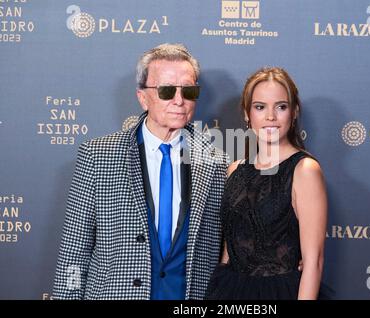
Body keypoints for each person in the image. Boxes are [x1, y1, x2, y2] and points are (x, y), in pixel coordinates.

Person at [53, 43, 228, 300]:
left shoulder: (217, 161)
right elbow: (73, 251)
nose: (179, 101)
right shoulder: (98, 156)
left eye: (188, 90)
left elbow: (234, 241)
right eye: (167, 91)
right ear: (142, 97)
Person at [206, 67, 328, 300]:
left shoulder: (304, 170)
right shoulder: (235, 169)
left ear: (294, 112)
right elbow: (229, 247)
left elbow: (315, 261)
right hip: (230, 291)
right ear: (247, 113)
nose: (270, 116)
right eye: (260, 107)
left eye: (281, 106)